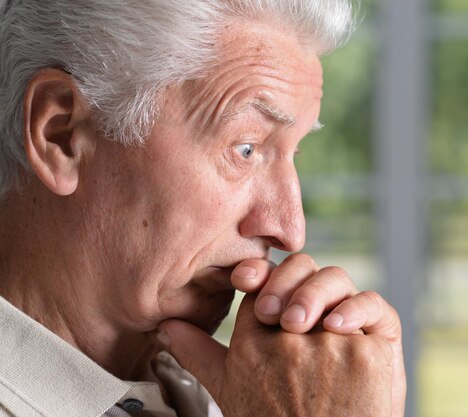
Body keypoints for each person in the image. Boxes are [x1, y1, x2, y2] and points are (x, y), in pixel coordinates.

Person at [0, 1, 406, 416]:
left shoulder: (254, 398)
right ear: (63, 136)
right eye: (246, 149)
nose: (289, 228)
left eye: (294, 152)